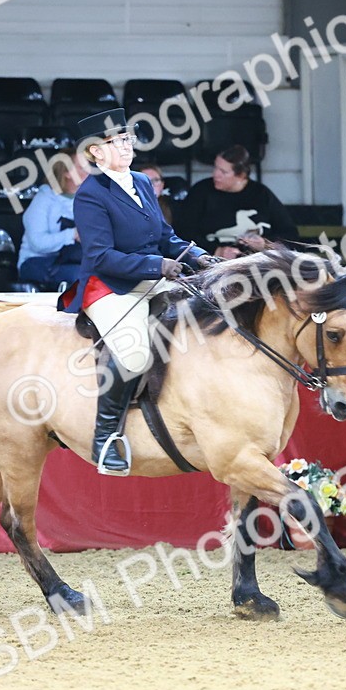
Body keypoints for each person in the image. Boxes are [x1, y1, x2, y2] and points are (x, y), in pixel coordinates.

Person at [63, 108, 216, 476]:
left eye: (127, 139)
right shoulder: (89, 195)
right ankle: (106, 440)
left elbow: (164, 236)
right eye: (116, 142)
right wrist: (157, 266)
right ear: (95, 153)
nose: (126, 146)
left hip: (151, 278)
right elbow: (101, 257)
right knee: (133, 355)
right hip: (110, 286)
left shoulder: (142, 182)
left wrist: (196, 254)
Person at [175, 144, 299, 258]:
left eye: (223, 172)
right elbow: (183, 232)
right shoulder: (201, 191)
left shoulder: (261, 194)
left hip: (255, 260)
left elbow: (290, 233)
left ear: (240, 176)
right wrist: (216, 251)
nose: (216, 175)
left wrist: (264, 243)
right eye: (216, 168)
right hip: (212, 259)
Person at [18, 149, 88, 288]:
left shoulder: (89, 200)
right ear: (67, 173)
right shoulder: (44, 198)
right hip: (36, 262)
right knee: (80, 276)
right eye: (82, 167)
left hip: (74, 260)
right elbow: (37, 243)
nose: (89, 171)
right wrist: (73, 234)